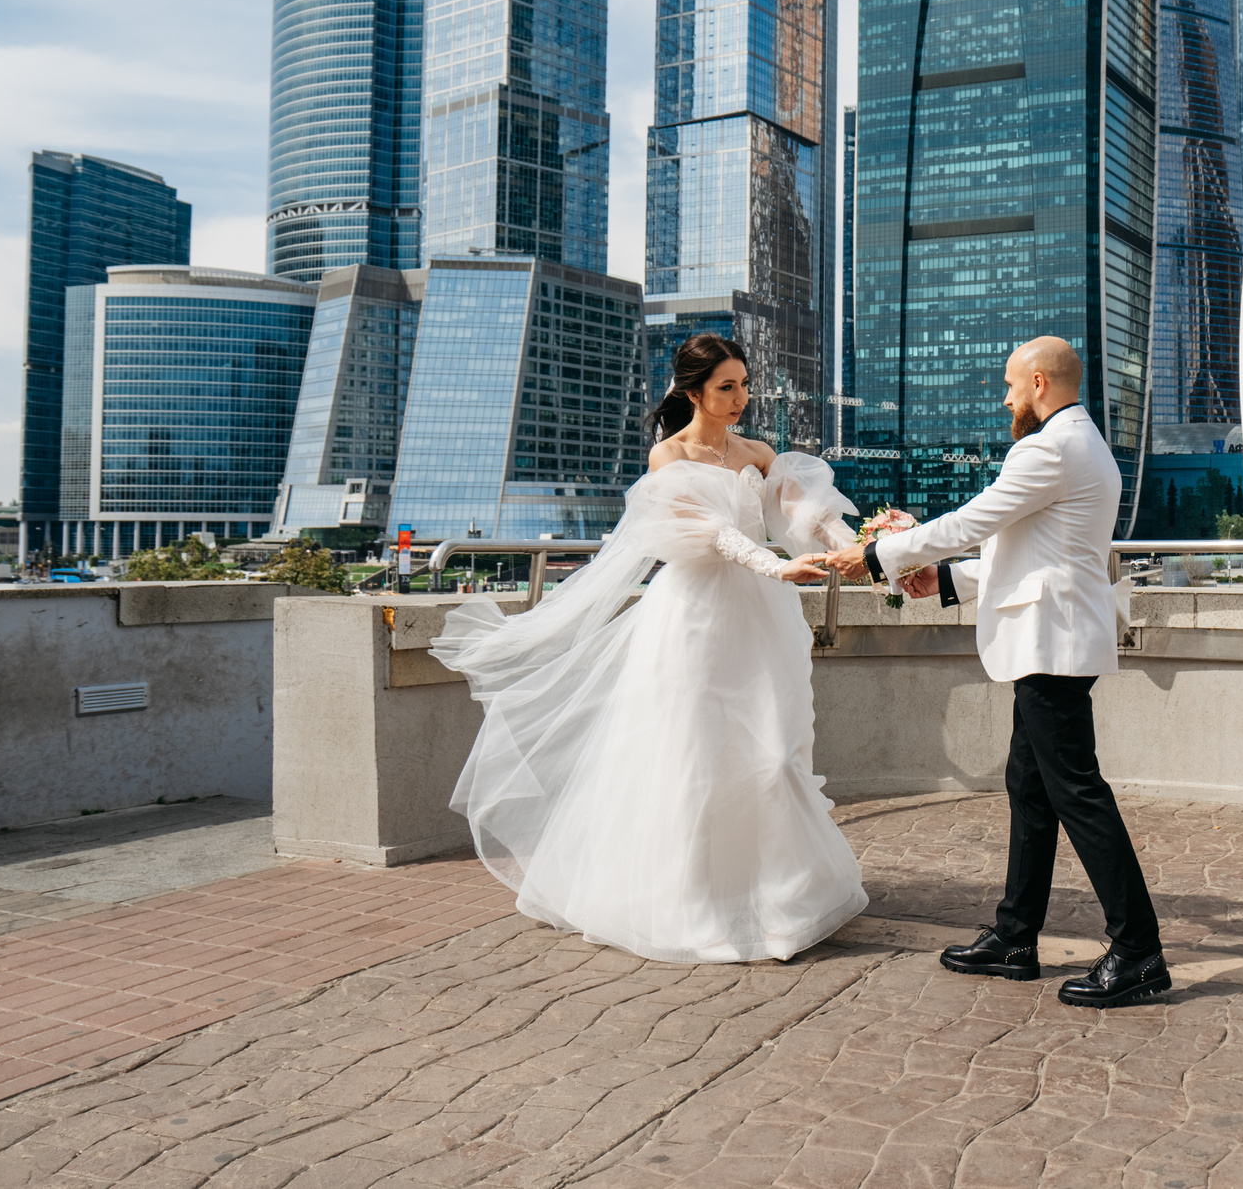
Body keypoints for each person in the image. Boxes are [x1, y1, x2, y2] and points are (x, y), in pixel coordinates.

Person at [428, 333, 868, 963]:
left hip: (761, 622)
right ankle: (695, 908)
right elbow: (709, 533)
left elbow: (810, 514)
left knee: (772, 752)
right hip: (694, 619)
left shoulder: (759, 453)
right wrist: (774, 568)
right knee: (693, 754)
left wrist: (863, 544)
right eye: (727, 386)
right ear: (693, 392)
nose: (741, 397)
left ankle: (779, 903)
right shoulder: (670, 457)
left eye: (745, 384)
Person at [818, 336, 1169, 1008]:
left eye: (1010, 385)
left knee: (1076, 792)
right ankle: (1015, 937)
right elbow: (1033, 555)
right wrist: (944, 582)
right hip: (1055, 635)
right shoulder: (1087, 444)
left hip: (1050, 643)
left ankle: (1138, 951)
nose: (1004, 398)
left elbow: (974, 521)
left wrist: (880, 555)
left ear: (1038, 382)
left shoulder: (1047, 448)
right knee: (1031, 787)